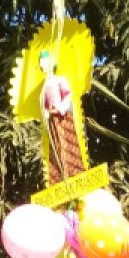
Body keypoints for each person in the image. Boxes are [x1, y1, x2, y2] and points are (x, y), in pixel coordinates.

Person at [38, 50, 86, 184]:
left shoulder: (60, 80)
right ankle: (60, 176)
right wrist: (47, 112)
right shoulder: (44, 87)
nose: (42, 65)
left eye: (44, 61)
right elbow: (45, 104)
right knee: (57, 147)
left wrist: (59, 108)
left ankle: (74, 173)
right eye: (41, 63)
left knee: (68, 144)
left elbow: (67, 95)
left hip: (63, 117)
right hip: (53, 121)